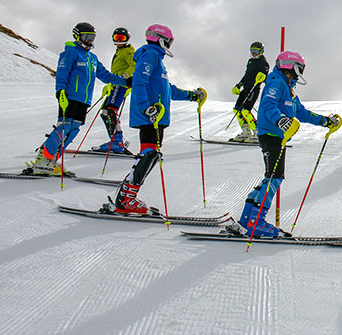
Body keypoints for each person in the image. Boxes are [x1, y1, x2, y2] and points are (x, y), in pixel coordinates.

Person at [230, 51, 342, 238]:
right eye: (300, 69)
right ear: (291, 66)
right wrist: (281, 120)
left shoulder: (288, 88)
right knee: (275, 178)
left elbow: (302, 113)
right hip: (272, 134)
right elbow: (267, 105)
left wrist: (325, 121)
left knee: (271, 177)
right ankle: (256, 222)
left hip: (277, 135)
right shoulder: (276, 81)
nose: (300, 74)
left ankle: (247, 219)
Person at [111, 25, 207, 215]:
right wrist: (146, 107)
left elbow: (167, 90)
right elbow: (139, 82)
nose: (170, 44)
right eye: (169, 40)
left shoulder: (157, 59)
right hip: (150, 116)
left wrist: (192, 95)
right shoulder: (150, 55)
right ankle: (125, 199)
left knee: (151, 154)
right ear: (160, 39)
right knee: (149, 154)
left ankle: (127, 196)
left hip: (156, 117)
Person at [26, 22, 129, 174]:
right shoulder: (71, 53)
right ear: (77, 35)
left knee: (73, 129)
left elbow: (106, 76)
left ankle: (52, 160)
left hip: (84, 99)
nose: (90, 41)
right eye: (87, 37)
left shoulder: (92, 58)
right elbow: (62, 73)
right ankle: (43, 159)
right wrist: (60, 91)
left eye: (92, 38)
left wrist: (126, 81)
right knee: (64, 127)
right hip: (69, 97)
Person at [95, 27, 135, 154]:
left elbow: (133, 65)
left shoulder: (128, 51)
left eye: (121, 38)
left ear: (127, 39)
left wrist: (125, 76)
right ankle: (116, 139)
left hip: (121, 83)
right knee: (105, 112)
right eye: (116, 38)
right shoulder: (120, 51)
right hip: (115, 84)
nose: (118, 41)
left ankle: (117, 141)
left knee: (111, 110)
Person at [230, 41, 271, 142]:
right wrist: (239, 85)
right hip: (246, 89)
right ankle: (246, 132)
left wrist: (262, 77)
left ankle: (257, 132)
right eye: (252, 51)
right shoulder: (250, 61)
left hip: (254, 89)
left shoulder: (263, 63)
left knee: (246, 110)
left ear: (261, 51)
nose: (254, 53)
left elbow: (265, 77)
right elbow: (246, 75)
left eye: (256, 51)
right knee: (237, 109)